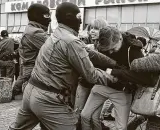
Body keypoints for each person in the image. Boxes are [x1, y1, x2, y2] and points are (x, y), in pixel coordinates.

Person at [9, 2, 117, 130]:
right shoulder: (70, 40)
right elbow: (91, 75)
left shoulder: (57, 33)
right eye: (79, 17)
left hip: (31, 91)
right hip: (49, 99)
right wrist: (117, 77)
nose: (81, 21)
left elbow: (87, 52)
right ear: (71, 18)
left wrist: (113, 63)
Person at [81, 26, 152, 130]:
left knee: (121, 127)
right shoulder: (103, 45)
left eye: (113, 48)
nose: (110, 52)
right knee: (85, 116)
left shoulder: (133, 51)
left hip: (122, 91)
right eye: (107, 50)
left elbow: (143, 77)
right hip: (103, 85)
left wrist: (115, 72)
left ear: (120, 38)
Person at [12, 3, 51, 98]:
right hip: (31, 65)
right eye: (46, 15)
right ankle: (12, 93)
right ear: (38, 16)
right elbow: (54, 47)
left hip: (27, 63)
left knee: (22, 79)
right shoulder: (35, 32)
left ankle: (13, 93)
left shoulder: (31, 29)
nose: (50, 19)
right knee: (26, 83)